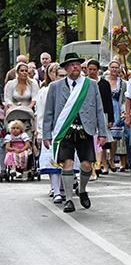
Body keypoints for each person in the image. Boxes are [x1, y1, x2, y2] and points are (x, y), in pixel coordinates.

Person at [42, 52, 108, 213]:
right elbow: (49, 112)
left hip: (85, 129)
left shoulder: (90, 84)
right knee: (67, 164)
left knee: (86, 165)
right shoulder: (55, 87)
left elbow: (99, 109)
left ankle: (83, 189)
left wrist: (102, 133)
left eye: (78, 64)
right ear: (66, 68)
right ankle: (69, 200)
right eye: (71, 65)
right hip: (65, 131)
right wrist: (46, 134)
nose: (75, 67)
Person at [36, 62, 67, 201]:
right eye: (54, 73)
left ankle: (62, 187)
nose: (58, 77)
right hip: (52, 130)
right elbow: (41, 113)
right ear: (49, 75)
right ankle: (56, 190)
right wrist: (41, 132)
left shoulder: (71, 90)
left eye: (61, 74)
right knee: (52, 161)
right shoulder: (45, 91)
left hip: (67, 129)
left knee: (66, 159)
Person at [86, 60, 114, 177]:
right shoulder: (84, 83)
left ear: (98, 70)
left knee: (102, 140)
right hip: (88, 114)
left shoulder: (104, 84)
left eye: (94, 69)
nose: (92, 72)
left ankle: (103, 164)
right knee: (92, 140)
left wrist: (110, 118)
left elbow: (108, 101)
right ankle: (95, 164)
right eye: (90, 69)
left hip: (102, 114)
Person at [106, 60, 127, 172]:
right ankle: (104, 162)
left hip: (117, 109)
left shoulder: (123, 83)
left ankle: (112, 158)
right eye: (112, 67)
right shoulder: (103, 81)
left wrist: (124, 111)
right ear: (109, 68)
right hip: (106, 110)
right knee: (104, 137)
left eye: (116, 67)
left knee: (115, 138)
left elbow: (124, 99)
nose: (114, 69)